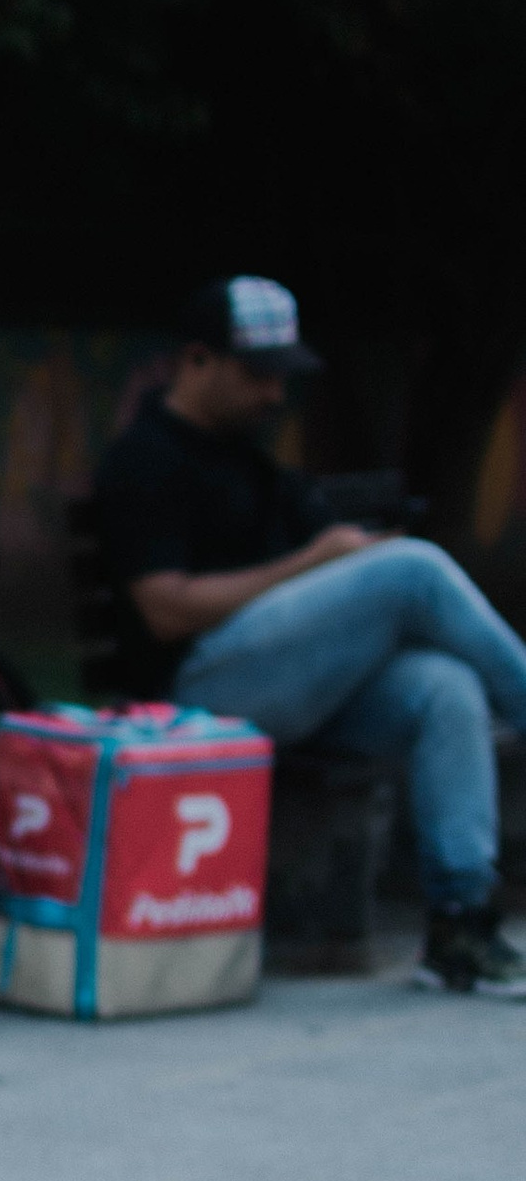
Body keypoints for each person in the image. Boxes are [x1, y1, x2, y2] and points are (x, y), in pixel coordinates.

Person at [93, 275, 526, 996]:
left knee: (445, 688)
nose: (275, 394)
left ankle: (461, 924)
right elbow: (164, 610)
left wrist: (347, 564)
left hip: (290, 690)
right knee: (415, 572)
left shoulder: (253, 460)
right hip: (194, 695)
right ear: (197, 360)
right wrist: (317, 565)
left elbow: (321, 582)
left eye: (281, 376)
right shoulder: (144, 459)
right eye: (257, 374)